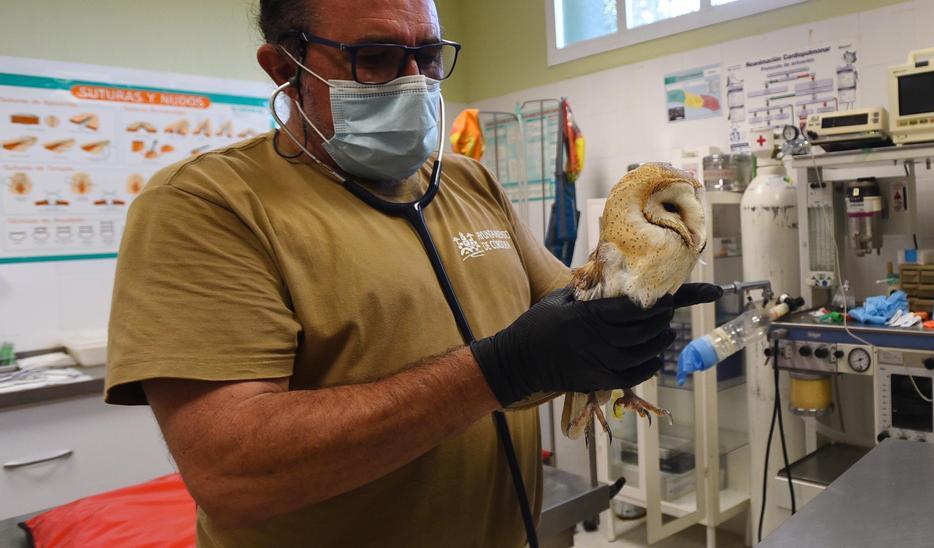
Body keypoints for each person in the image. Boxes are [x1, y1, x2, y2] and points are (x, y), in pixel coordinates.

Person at [103, 0, 720, 546]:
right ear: (283, 67)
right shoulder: (206, 204)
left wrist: (636, 292)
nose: (413, 82)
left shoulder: (467, 181)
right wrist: (498, 369)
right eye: (374, 57)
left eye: (427, 55)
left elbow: (572, 304)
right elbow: (230, 474)